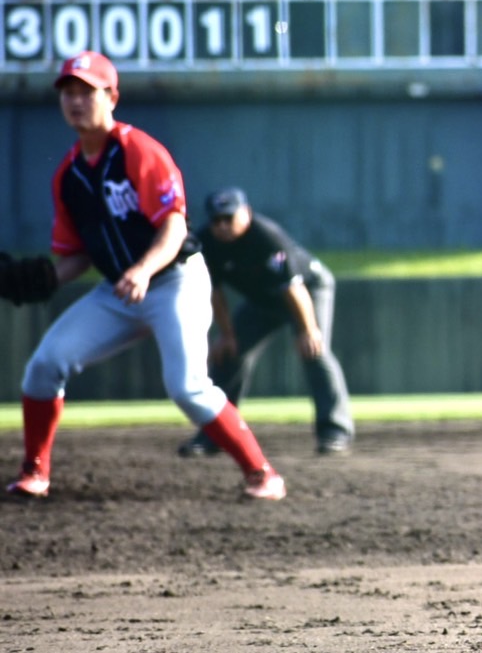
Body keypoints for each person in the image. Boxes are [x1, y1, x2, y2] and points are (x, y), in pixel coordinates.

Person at [0, 51, 286, 501]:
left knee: (188, 387)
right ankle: (35, 471)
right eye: (68, 92)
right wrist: (45, 280)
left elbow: (174, 225)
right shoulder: (68, 176)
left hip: (174, 280)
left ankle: (262, 473)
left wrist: (143, 269)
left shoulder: (138, 150)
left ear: (111, 96)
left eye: (86, 91)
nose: (75, 101)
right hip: (118, 290)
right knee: (43, 366)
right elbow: (75, 255)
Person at [175, 187, 355, 458]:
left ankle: (335, 432)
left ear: (245, 214)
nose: (222, 226)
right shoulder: (205, 243)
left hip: (308, 290)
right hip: (262, 302)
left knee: (314, 352)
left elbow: (293, 289)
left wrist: (308, 330)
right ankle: (214, 435)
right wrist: (227, 335)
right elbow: (214, 291)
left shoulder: (266, 237)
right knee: (229, 356)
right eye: (216, 220)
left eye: (228, 218)